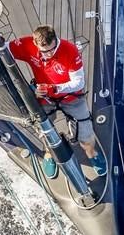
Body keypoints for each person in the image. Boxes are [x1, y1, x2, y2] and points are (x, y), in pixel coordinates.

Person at [8, 25, 107, 179]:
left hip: (71, 98)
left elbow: (79, 83)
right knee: (44, 132)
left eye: (52, 49)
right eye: (44, 51)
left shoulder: (70, 50)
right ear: (35, 44)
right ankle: (49, 154)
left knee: (86, 135)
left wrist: (54, 88)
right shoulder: (27, 45)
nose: (49, 54)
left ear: (55, 40)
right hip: (45, 98)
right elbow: (5, 49)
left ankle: (91, 153)